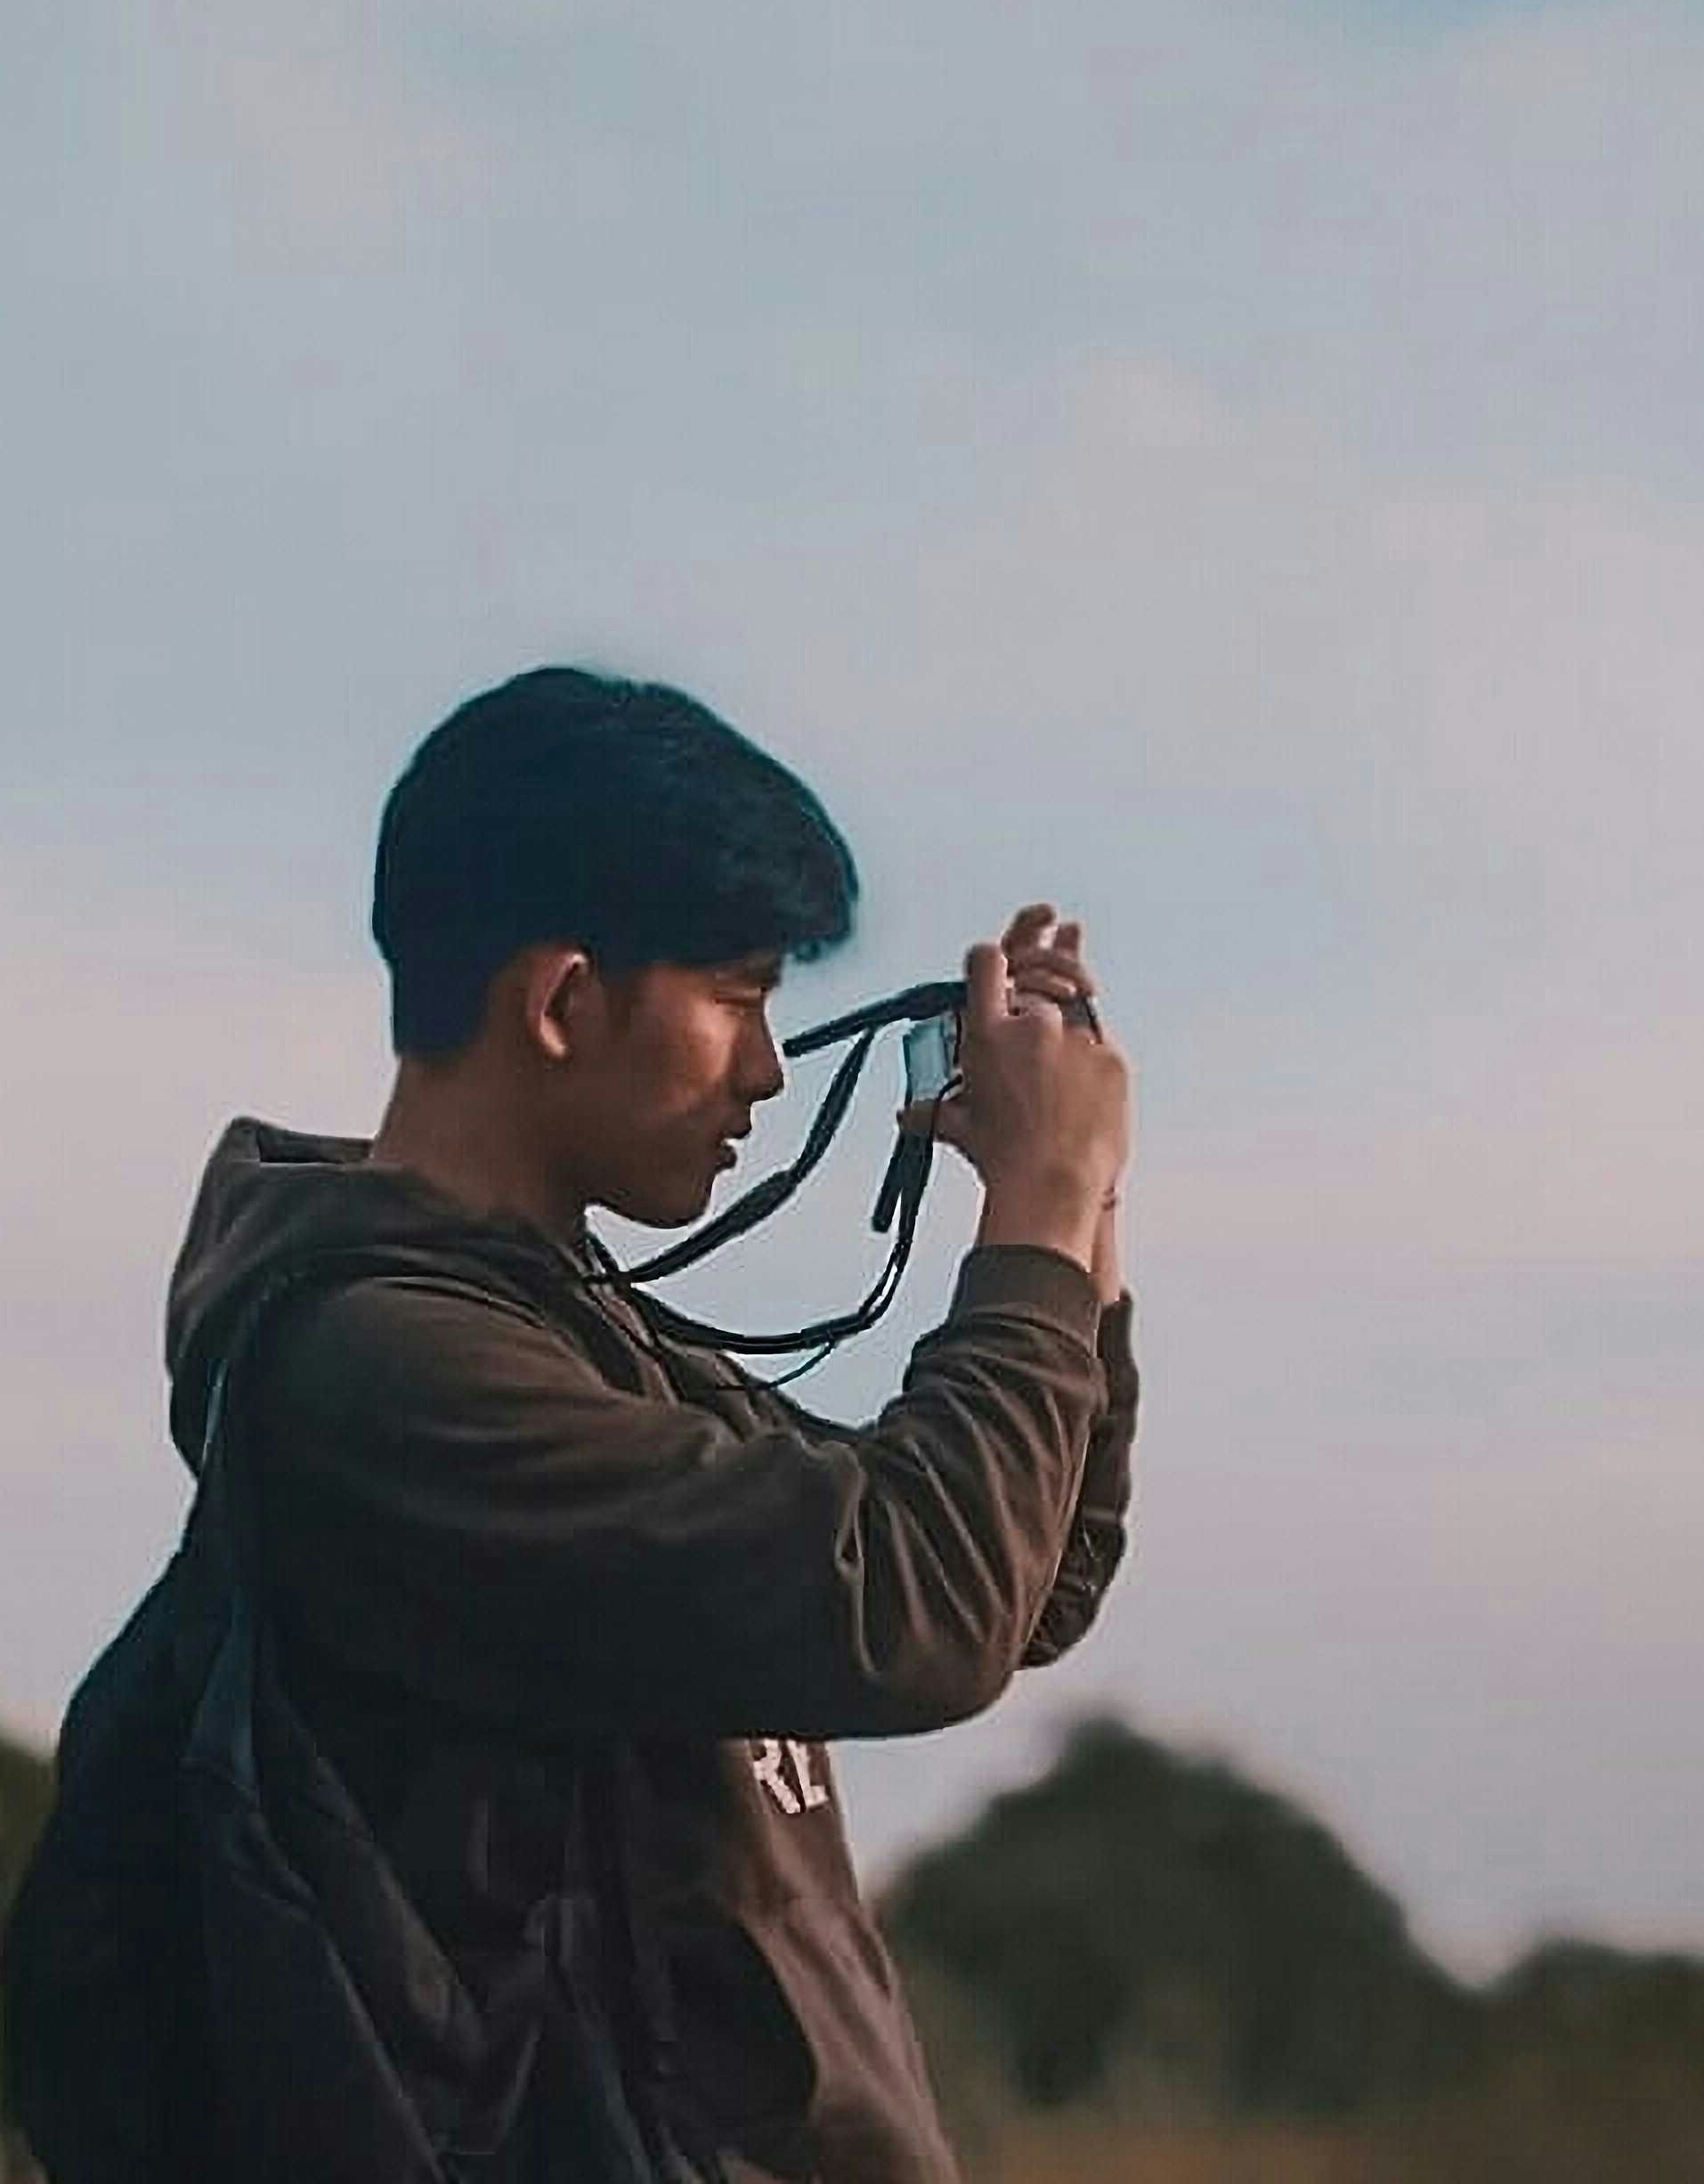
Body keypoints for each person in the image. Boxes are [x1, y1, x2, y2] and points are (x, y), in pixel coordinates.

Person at [161, 663, 1137, 2184]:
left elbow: (1019, 1585)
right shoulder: (381, 1372)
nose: (765, 1065)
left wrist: (1079, 1219)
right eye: (740, 999)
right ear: (561, 1001)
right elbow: (920, 1605)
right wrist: (1042, 1202)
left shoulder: (578, 1343)